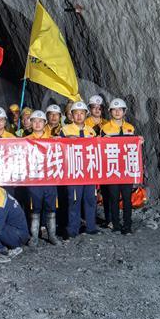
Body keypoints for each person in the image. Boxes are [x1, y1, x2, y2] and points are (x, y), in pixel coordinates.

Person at [60, 101, 99, 238]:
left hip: (89, 170)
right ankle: (73, 229)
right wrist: (66, 140)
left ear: (85, 114)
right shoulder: (65, 130)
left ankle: (91, 226)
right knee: (74, 200)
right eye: (76, 113)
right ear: (71, 115)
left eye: (82, 113)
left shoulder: (91, 131)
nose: (79, 116)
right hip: (73, 171)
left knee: (90, 199)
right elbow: (58, 148)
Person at [100, 98, 137, 235]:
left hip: (126, 169)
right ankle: (115, 224)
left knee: (127, 198)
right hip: (112, 168)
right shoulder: (105, 128)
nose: (117, 112)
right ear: (110, 112)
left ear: (124, 111)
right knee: (113, 197)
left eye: (120, 109)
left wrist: (139, 142)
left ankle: (127, 225)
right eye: (114, 109)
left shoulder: (130, 127)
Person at [24, 110, 60, 246]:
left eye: (40, 121)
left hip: (50, 179)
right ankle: (34, 236)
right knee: (35, 208)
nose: (38, 124)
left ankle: (52, 235)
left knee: (51, 208)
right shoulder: (25, 141)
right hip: (34, 179)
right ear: (31, 123)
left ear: (45, 123)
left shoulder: (53, 140)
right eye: (34, 121)